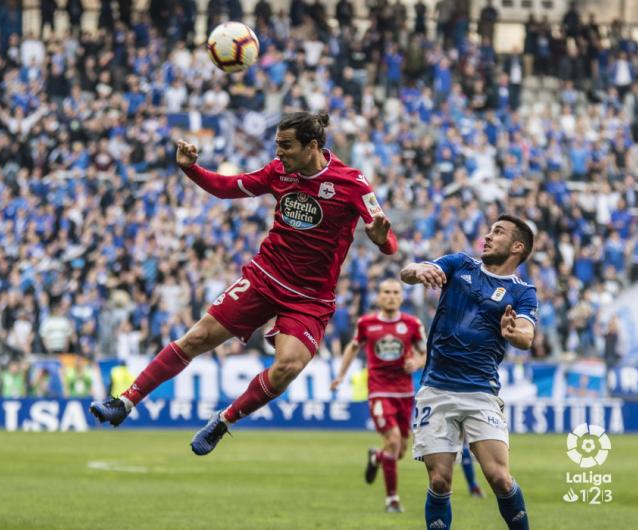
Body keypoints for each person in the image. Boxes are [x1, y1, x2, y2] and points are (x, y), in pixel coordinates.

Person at [90, 111, 398, 456]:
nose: (279, 153)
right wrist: (191, 169)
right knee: (199, 336)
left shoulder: (352, 182)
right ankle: (126, 402)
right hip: (264, 276)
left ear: (312, 145)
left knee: (288, 367)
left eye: (286, 146)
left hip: (310, 298)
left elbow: (389, 243)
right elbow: (227, 188)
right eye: (277, 145)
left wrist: (380, 239)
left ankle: (224, 420)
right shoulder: (278, 172)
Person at [401, 214, 537, 530]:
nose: (487, 236)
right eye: (489, 231)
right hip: (437, 389)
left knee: (500, 479)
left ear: (517, 247)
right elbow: (408, 272)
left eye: (498, 232)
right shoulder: (461, 264)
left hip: (481, 393)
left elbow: (527, 337)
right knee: (439, 480)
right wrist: (420, 268)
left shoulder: (523, 292)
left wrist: (512, 331)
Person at [330, 278, 427, 513]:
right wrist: (341, 375)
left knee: (400, 450)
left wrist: (416, 362)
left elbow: (424, 353)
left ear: (402, 297)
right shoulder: (367, 323)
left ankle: (377, 457)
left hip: (405, 393)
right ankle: (392, 500)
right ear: (379, 297)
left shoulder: (412, 324)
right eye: (387, 292)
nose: (392, 296)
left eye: (396, 292)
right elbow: (353, 348)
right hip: (379, 391)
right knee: (393, 441)